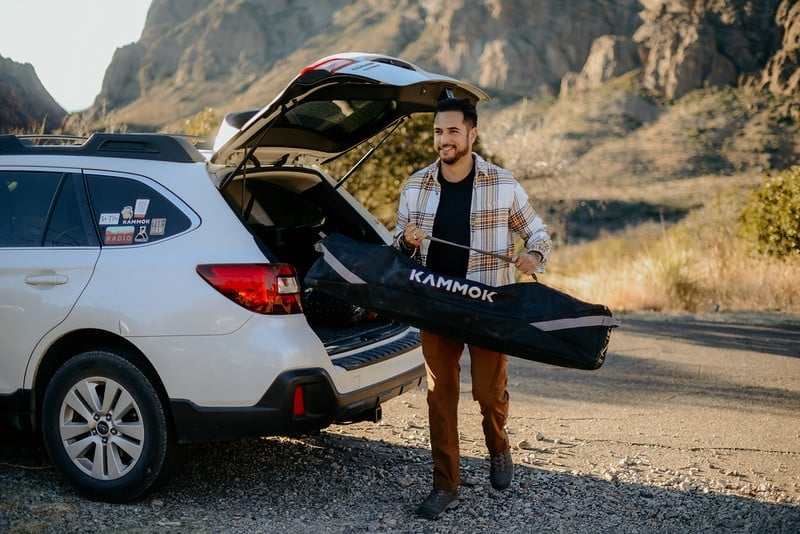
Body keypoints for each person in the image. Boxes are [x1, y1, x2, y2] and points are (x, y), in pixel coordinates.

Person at [393, 97, 551, 519]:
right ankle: (446, 484)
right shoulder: (415, 186)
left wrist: (533, 256)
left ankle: (498, 444)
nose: (443, 140)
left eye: (452, 131)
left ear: (472, 134)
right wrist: (406, 240)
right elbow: (398, 248)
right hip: (436, 307)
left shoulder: (503, 184)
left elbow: (537, 232)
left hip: (488, 306)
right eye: (438, 132)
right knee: (439, 397)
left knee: (487, 392)